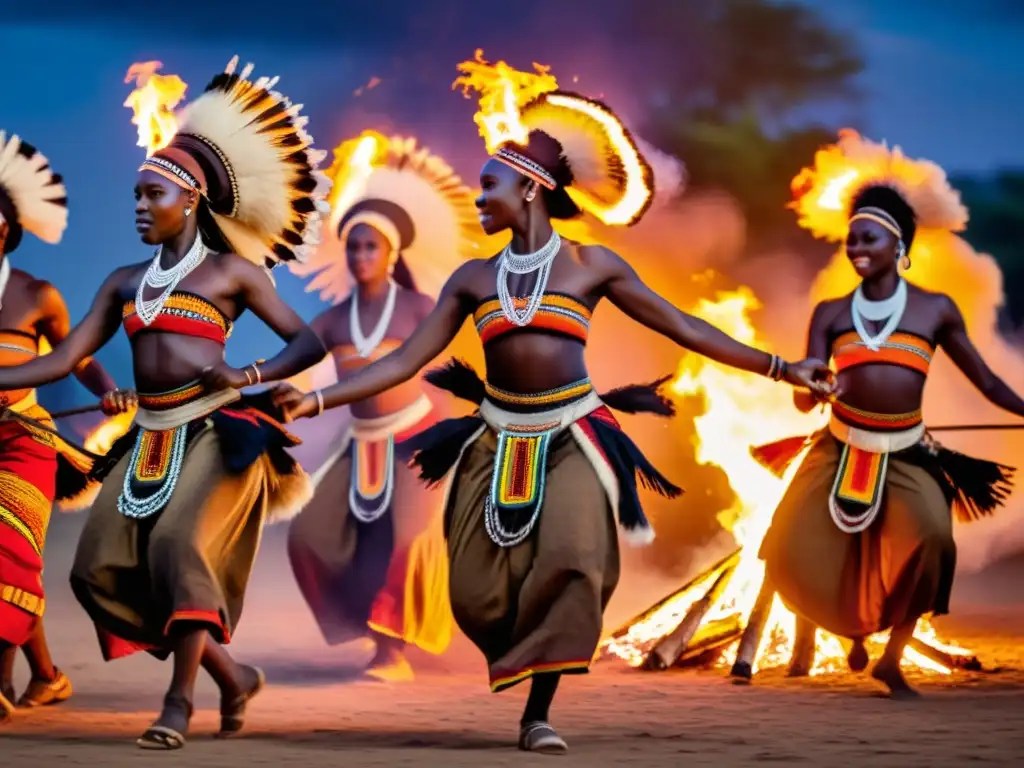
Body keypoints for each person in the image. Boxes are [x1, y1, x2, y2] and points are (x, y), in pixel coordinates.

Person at [276, 85, 833, 753]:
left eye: (490, 185)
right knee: (478, 590)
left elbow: (682, 325)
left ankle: (538, 712)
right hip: (492, 442)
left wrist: (781, 367)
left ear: (531, 188)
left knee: (572, 555)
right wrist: (315, 400)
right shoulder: (472, 281)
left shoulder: (590, 265)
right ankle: (513, 660)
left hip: (574, 435)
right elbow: (402, 365)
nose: (479, 198)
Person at [0, 58, 330, 748]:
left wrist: (248, 373)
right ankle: (233, 676)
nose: (141, 206)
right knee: (97, 569)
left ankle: (178, 702)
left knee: (181, 549)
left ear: (191, 199)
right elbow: (62, 359)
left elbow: (307, 344)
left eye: (153, 195)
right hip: (146, 437)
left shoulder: (234, 273)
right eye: (136, 195)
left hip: (214, 433)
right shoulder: (123, 282)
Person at [756, 177, 1020, 698]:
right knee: (785, 544)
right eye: (851, 240)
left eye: (868, 239)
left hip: (908, 451)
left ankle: (891, 658)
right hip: (838, 446)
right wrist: (813, 388)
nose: (856, 249)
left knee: (933, 542)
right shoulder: (830, 313)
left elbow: (986, 382)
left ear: (899, 247)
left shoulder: (935, 309)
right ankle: (849, 631)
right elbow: (803, 395)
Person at [284, 132, 483, 680]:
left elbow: (454, 374)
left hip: (419, 439)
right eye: (353, 246)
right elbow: (288, 363)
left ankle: (392, 653)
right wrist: (243, 381)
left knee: (410, 540)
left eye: (372, 246)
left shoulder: (422, 308)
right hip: (360, 446)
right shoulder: (330, 320)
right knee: (308, 533)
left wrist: (459, 438)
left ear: (393, 252)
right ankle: (360, 624)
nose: (361, 254)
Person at [0, 131, 131, 719]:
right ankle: (48, 676)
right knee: (11, 564)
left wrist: (110, 395)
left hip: (22, 444)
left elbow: (79, 356)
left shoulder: (37, 296)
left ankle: (1, 686)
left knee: (7, 555)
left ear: (6, 228)